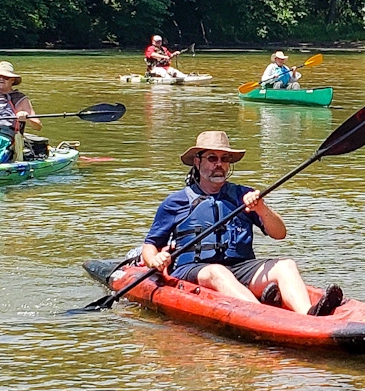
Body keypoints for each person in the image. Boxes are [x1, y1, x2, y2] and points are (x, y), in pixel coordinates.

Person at [139, 130, 342, 316]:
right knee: (217, 272)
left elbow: (280, 233)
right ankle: (262, 314)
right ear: (197, 162)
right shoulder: (175, 202)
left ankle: (309, 314)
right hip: (194, 270)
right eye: (212, 158)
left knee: (286, 265)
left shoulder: (244, 196)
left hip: (241, 267)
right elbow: (150, 245)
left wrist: (261, 208)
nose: (219, 164)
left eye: (224, 159)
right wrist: (154, 260)